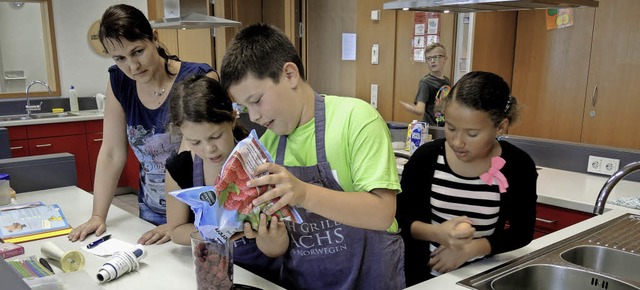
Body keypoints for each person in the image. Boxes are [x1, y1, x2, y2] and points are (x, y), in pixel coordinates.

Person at [220, 23, 405, 289]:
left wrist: (304, 193)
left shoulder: (355, 119)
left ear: (290, 74)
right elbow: (277, 249)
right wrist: (265, 235)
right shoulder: (266, 146)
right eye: (245, 107)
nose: (255, 116)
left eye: (257, 100)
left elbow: (382, 214)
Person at [68, 4, 217, 245]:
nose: (132, 66)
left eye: (137, 51)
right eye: (120, 58)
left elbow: (192, 153)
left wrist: (175, 224)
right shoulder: (119, 82)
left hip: (195, 216)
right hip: (150, 211)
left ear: (154, 39)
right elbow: (112, 152)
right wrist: (98, 215)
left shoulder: (198, 78)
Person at [396, 71, 538, 286]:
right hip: (422, 278)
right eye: (450, 128)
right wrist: (437, 233)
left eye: (472, 134)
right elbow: (399, 218)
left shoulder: (518, 166)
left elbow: (521, 233)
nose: (457, 142)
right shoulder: (427, 158)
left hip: (479, 278)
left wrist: (470, 249)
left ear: (500, 126)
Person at [164, 74, 281, 282]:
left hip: (262, 274)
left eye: (215, 136)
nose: (209, 149)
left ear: (233, 118)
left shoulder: (260, 159)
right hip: (213, 270)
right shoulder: (180, 169)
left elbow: (277, 245)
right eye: (195, 141)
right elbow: (175, 230)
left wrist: (260, 230)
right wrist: (214, 233)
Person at [400, 43, 451, 127]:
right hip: (432, 128)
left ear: (445, 59)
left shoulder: (447, 81)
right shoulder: (426, 82)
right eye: (429, 58)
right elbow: (420, 110)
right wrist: (410, 108)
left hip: (445, 127)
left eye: (436, 57)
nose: (432, 61)